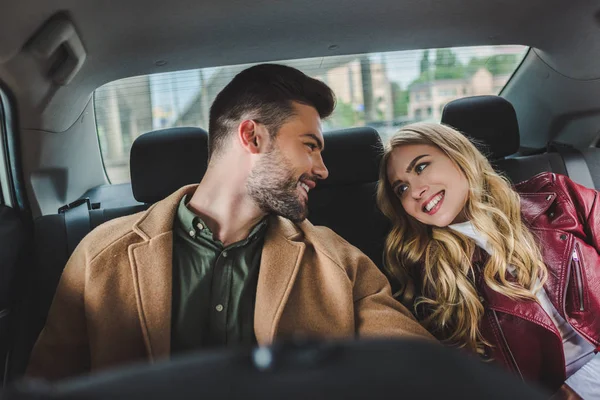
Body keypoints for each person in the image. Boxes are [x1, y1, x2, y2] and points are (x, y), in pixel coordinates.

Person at [27, 64, 433, 381]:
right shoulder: (99, 257)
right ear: (252, 137)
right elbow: (50, 386)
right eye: (310, 146)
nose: (323, 170)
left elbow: (423, 368)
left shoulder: (338, 261)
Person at [376, 122, 600, 399]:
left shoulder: (557, 197)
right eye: (401, 189)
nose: (414, 191)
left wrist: (584, 385)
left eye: (421, 167)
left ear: (458, 155)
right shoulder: (434, 275)